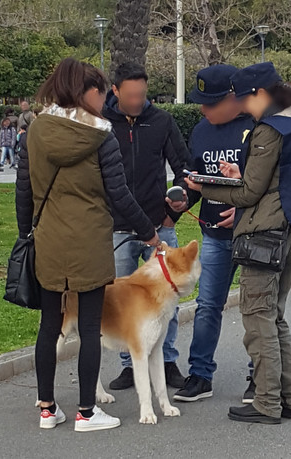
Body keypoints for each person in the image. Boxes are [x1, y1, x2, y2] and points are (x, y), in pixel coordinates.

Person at [15, 57, 160, 432]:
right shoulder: (101, 136)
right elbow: (120, 195)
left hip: (48, 239)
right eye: (99, 91)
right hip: (91, 240)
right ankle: (86, 411)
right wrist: (149, 232)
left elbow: (24, 192)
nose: (102, 100)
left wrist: (25, 235)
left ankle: (47, 408)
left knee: (51, 324)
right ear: (86, 92)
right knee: (91, 325)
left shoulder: (35, 131)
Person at [185, 62, 291, 424]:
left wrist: (205, 186)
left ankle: (266, 402)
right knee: (275, 317)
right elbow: (276, 178)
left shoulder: (269, 129)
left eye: (246, 99)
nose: (243, 106)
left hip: (265, 234)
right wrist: (241, 172)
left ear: (261, 94)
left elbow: (249, 192)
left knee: (258, 319)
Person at [168, 65, 256, 403]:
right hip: (214, 237)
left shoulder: (256, 127)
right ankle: (200, 375)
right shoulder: (202, 131)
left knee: (254, 308)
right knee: (207, 306)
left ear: (232, 98)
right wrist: (181, 198)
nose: (203, 110)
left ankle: (258, 375)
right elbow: (195, 177)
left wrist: (245, 208)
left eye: (209, 103)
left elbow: (268, 183)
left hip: (251, 234)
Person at [102, 62, 190, 391]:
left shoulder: (162, 121)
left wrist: (175, 212)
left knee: (167, 300)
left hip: (159, 226)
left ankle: (166, 362)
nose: (137, 101)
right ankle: (129, 363)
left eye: (142, 94)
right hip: (118, 229)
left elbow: (184, 168)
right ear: (115, 91)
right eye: (130, 95)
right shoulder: (102, 124)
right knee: (121, 298)